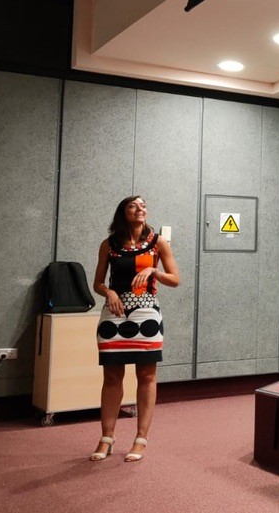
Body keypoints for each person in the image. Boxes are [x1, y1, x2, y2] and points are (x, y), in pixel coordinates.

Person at [88, 195, 179, 462]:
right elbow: (97, 283)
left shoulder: (158, 242)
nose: (140, 209)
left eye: (143, 206)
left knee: (147, 375)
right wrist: (109, 292)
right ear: (123, 212)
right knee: (112, 376)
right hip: (114, 313)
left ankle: (141, 439)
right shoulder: (109, 244)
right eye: (133, 206)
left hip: (147, 313)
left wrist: (154, 272)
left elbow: (175, 279)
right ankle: (106, 438)